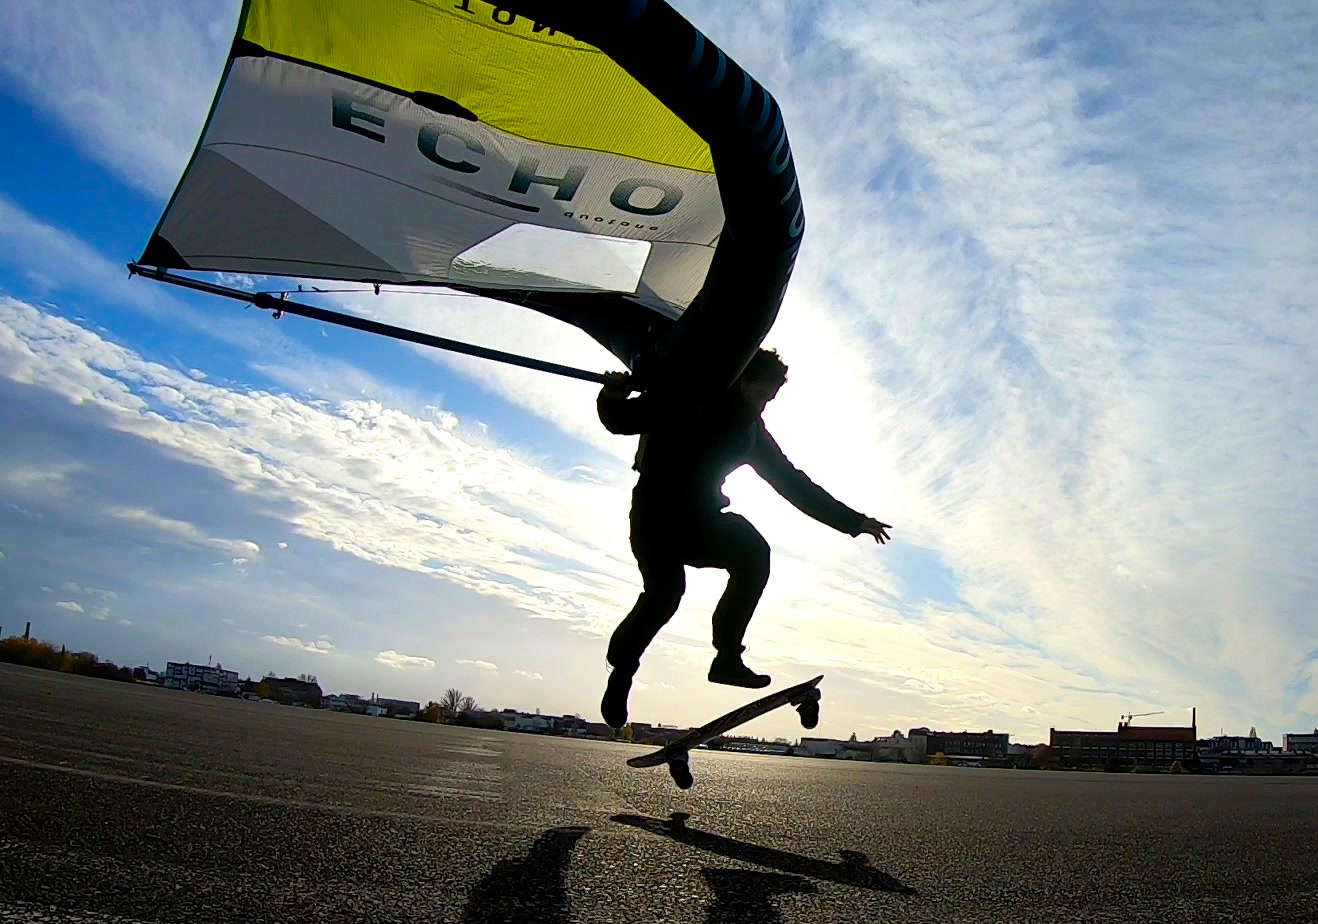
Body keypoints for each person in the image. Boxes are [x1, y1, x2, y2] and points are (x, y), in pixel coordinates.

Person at [595, 349, 892, 728]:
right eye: (763, 395)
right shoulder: (691, 397)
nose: (765, 406)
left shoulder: (752, 433)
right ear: (743, 380)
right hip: (656, 516)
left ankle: (727, 659)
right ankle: (622, 671)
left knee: (754, 552)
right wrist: (612, 393)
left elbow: (792, 482)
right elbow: (622, 420)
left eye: (771, 400)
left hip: (701, 521)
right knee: (665, 594)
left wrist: (854, 520)